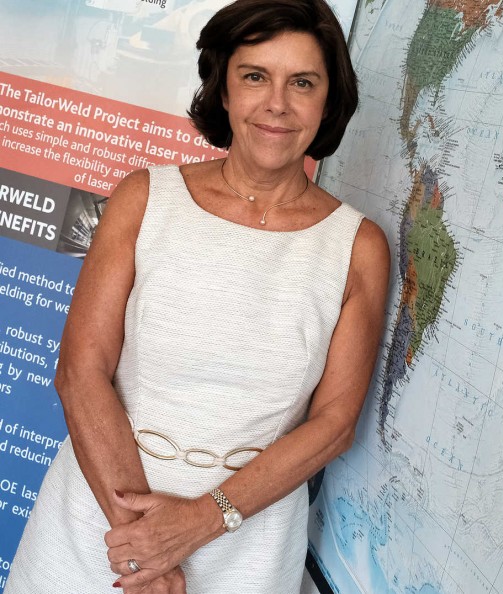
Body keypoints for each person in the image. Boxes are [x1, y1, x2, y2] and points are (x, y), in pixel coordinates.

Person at [5, 0, 390, 592]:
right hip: (98, 527)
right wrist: (144, 550)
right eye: (255, 76)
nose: (277, 103)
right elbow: (81, 373)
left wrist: (197, 524)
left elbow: (335, 424)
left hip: (249, 549)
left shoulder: (358, 247)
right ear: (224, 89)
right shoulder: (143, 198)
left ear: (327, 100)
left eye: (302, 83)